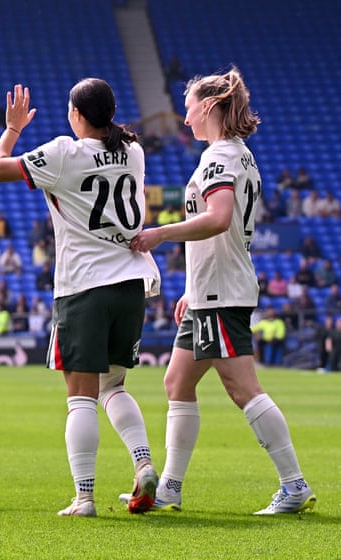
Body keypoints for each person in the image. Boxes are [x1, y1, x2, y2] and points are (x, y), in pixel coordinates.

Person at [129, 67, 315, 514]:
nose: (185, 116)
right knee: (177, 382)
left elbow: (218, 218)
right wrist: (192, 288)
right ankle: (170, 488)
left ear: (209, 106)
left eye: (189, 106)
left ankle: (294, 485)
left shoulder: (219, 158)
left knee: (242, 387)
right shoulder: (237, 154)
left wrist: (160, 233)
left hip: (221, 291)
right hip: (210, 289)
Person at [0, 80, 161, 517]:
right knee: (113, 386)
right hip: (131, 283)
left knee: (80, 397)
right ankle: (143, 463)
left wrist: (13, 128)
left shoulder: (64, 152)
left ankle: (84, 497)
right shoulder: (133, 152)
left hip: (84, 285)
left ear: (76, 115)